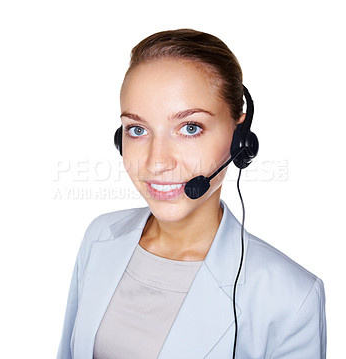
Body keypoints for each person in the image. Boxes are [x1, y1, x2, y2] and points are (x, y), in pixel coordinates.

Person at [56, 29, 326, 359]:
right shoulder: (100, 236)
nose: (156, 162)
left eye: (190, 128)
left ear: (240, 138)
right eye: (137, 129)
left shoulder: (291, 298)